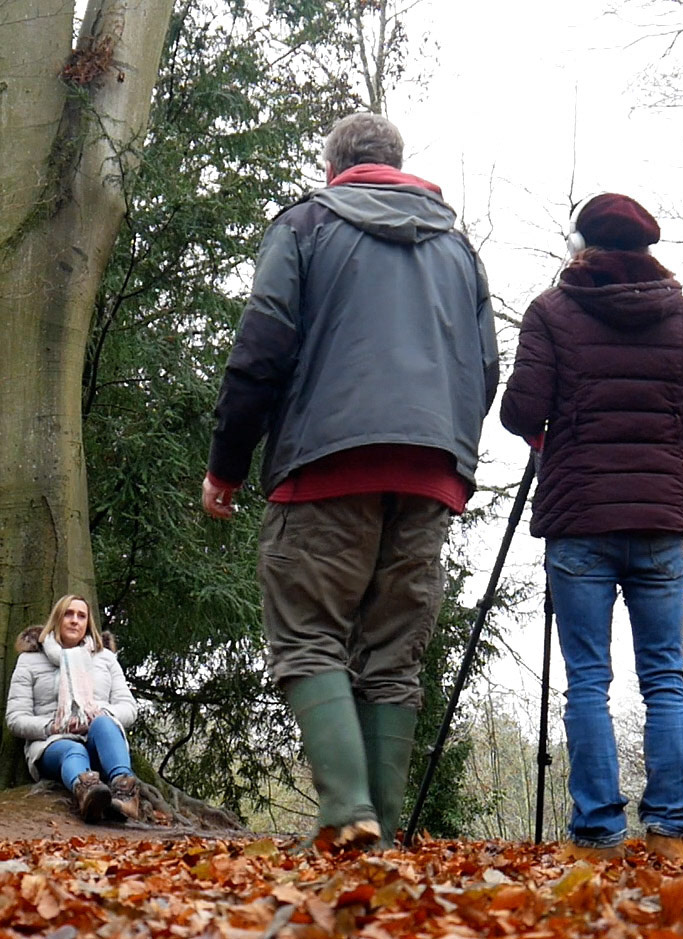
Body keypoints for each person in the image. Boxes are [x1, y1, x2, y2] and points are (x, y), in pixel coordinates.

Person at [202, 113, 500, 850]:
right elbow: (487, 367)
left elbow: (263, 343)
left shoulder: (307, 225)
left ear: (333, 167)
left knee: (308, 635)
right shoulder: (458, 248)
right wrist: (445, 447)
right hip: (431, 468)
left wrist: (227, 465)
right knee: (393, 653)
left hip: (326, 461)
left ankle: (348, 814)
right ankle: (382, 834)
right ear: (398, 162)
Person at [500, 193, 683, 863]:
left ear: (583, 246)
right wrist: (657, 429)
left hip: (579, 518)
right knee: (665, 677)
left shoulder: (552, 312)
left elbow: (522, 411)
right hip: (658, 519)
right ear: (646, 248)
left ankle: (598, 835)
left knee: (588, 679)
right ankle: (670, 834)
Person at [6, 595, 142, 822]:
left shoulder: (105, 658)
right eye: (68, 614)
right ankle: (89, 794)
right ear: (57, 619)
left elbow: (129, 707)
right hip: (53, 745)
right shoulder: (29, 661)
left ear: (88, 623)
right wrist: (52, 726)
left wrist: (100, 712)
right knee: (72, 749)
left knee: (104, 723)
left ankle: (125, 795)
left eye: (81, 616)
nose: (74, 620)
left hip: (100, 743)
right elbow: (15, 718)